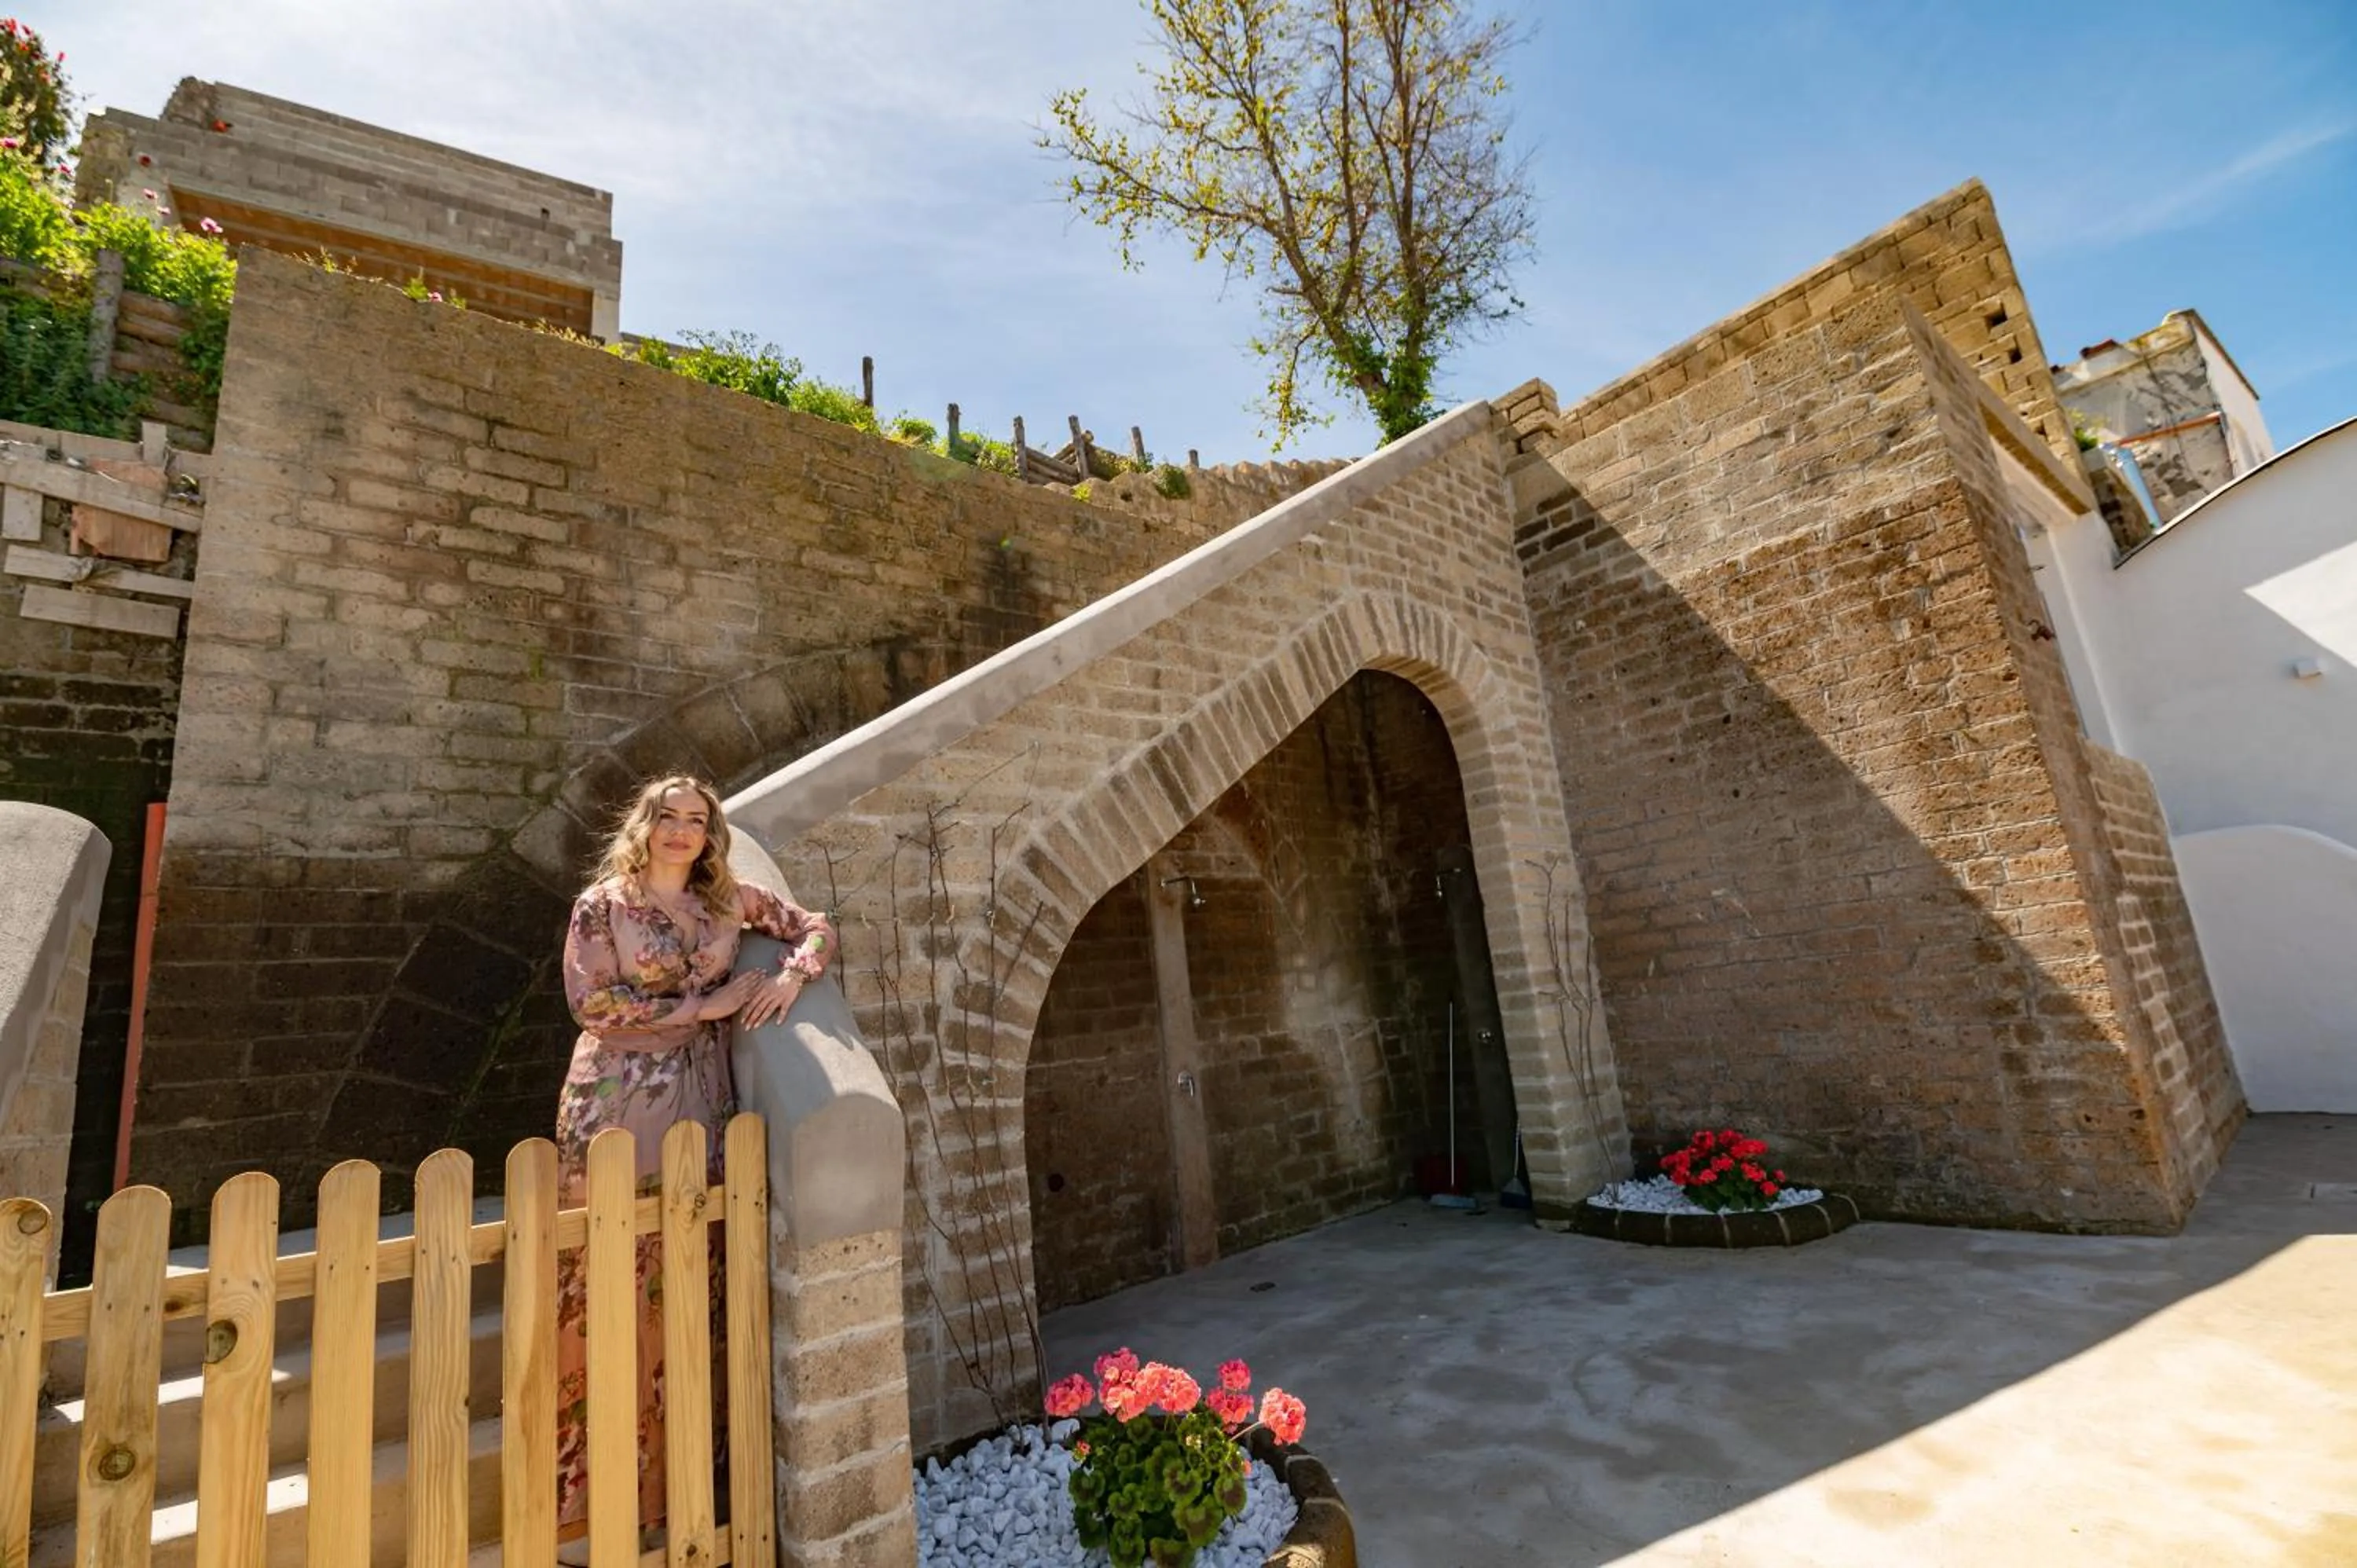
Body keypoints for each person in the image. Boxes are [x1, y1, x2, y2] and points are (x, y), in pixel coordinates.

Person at [552, 773, 833, 1557]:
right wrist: (702, 1007)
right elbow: (593, 1005)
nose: (682, 830)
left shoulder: (728, 901)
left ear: (711, 833)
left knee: (687, 1278)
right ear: (644, 826)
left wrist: (790, 977)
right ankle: (588, 1492)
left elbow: (814, 926)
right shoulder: (602, 906)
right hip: (616, 1102)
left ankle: (677, 1483)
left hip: (702, 1101)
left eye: (697, 820)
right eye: (668, 817)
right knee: (610, 1274)